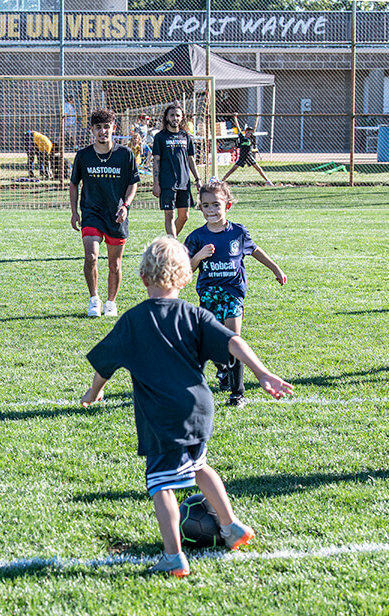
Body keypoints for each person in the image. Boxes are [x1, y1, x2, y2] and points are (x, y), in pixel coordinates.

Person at [81, 236, 293, 577]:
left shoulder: (134, 320)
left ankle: (173, 556)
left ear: (144, 278)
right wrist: (263, 374)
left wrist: (93, 393)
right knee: (199, 466)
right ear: (184, 278)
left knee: (160, 483)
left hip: (163, 414)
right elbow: (233, 341)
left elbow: (103, 365)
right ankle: (231, 526)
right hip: (199, 406)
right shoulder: (195, 314)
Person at [184, 180, 287, 407]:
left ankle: (237, 393)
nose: (211, 210)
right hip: (209, 295)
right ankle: (222, 370)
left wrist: (275, 268)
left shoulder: (238, 232)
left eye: (216, 205)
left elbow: (255, 250)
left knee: (233, 339)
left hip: (232, 293)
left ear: (227, 206)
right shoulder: (196, 237)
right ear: (200, 208)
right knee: (211, 345)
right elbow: (186, 270)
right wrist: (199, 256)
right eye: (206, 206)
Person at [69, 108, 139, 318]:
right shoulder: (83, 156)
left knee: (114, 264)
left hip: (116, 216)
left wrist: (125, 205)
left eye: (106, 127)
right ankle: (94, 299)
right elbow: (73, 184)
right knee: (91, 256)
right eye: (98, 127)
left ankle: (110, 302)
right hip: (91, 213)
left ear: (113, 128)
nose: (102, 131)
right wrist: (74, 213)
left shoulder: (124, 154)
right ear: (92, 130)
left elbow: (133, 183)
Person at [152, 104, 202, 239]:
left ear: (182, 118)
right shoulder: (160, 137)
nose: (175, 118)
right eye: (172, 115)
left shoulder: (186, 136)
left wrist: (198, 179)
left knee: (184, 216)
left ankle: (168, 241)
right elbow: (156, 160)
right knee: (170, 215)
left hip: (184, 182)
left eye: (178, 115)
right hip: (167, 182)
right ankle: (173, 244)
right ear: (167, 117)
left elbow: (191, 159)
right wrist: (155, 183)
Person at [221, 117, 272, 186]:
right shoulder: (242, 137)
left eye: (250, 133)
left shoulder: (251, 138)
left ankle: (267, 181)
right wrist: (235, 118)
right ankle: (222, 180)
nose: (249, 134)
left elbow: (255, 127)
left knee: (258, 169)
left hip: (249, 156)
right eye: (248, 132)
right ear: (245, 132)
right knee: (232, 170)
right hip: (242, 157)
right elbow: (238, 127)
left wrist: (256, 118)